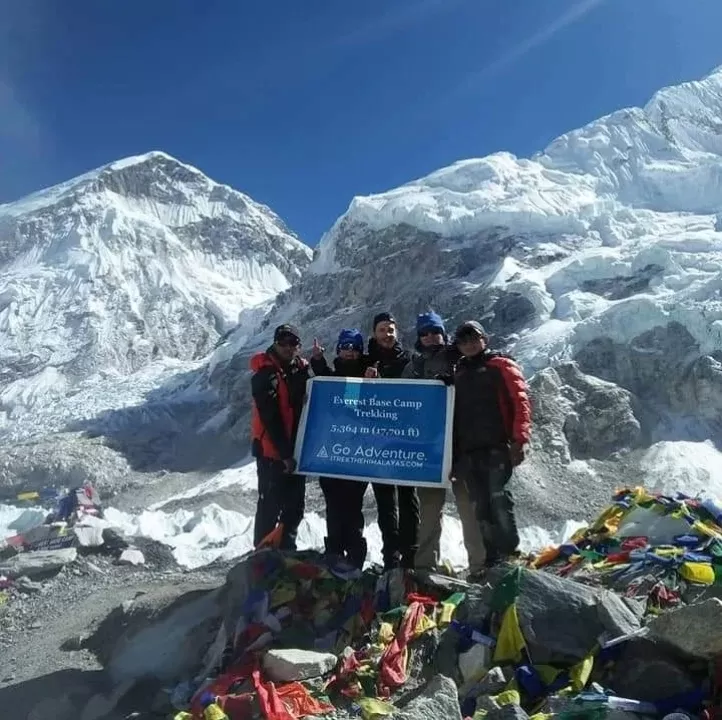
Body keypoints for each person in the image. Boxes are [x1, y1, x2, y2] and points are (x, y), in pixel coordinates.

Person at [402, 311, 487, 579]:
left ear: (443, 332)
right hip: (428, 449)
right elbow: (400, 402)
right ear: (418, 337)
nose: (429, 337)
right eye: (424, 333)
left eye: (434, 331)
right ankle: (425, 566)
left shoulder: (461, 359)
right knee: (429, 510)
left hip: (461, 447)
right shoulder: (413, 367)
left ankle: (479, 566)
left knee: (467, 507)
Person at [452, 320, 531, 569]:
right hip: (469, 451)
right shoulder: (459, 373)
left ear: (484, 339)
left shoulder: (501, 365)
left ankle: (510, 552)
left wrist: (520, 440)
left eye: (474, 338)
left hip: (497, 446)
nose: (469, 344)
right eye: (463, 341)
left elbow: (521, 401)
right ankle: (492, 559)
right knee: (480, 505)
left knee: (499, 498)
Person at [364, 312, 420, 570]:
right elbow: (350, 400)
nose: (387, 334)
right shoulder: (365, 362)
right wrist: (364, 383)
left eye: (391, 329)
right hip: (377, 444)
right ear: (374, 333)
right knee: (386, 504)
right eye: (382, 329)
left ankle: (411, 555)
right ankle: (391, 558)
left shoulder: (409, 359)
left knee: (409, 500)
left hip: (406, 441)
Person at [310, 329, 371, 569]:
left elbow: (350, 403)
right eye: (345, 347)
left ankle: (354, 556)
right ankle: (334, 552)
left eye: (354, 347)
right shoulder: (334, 375)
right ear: (338, 349)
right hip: (332, 454)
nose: (349, 351)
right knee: (334, 505)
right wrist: (316, 360)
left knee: (353, 506)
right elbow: (326, 380)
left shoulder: (366, 376)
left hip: (356, 454)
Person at [250, 324, 310, 551]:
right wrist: (285, 455)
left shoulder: (300, 369)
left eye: (292, 343)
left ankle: (286, 552)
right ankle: (262, 559)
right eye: (283, 342)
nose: (287, 347)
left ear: (299, 346)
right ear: (275, 343)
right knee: (269, 507)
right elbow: (270, 418)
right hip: (272, 453)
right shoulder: (264, 374)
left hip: (296, 451)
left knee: (294, 507)